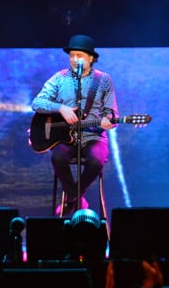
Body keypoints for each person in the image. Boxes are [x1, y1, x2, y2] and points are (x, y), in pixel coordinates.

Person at [31, 34, 118, 215]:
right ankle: (76, 199)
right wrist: (61, 108)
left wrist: (108, 120)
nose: (74, 59)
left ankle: (72, 199)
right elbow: (37, 103)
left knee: (96, 160)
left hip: (94, 136)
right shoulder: (60, 78)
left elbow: (112, 113)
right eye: (71, 55)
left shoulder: (103, 81)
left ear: (91, 58)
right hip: (67, 137)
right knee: (58, 157)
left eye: (79, 55)